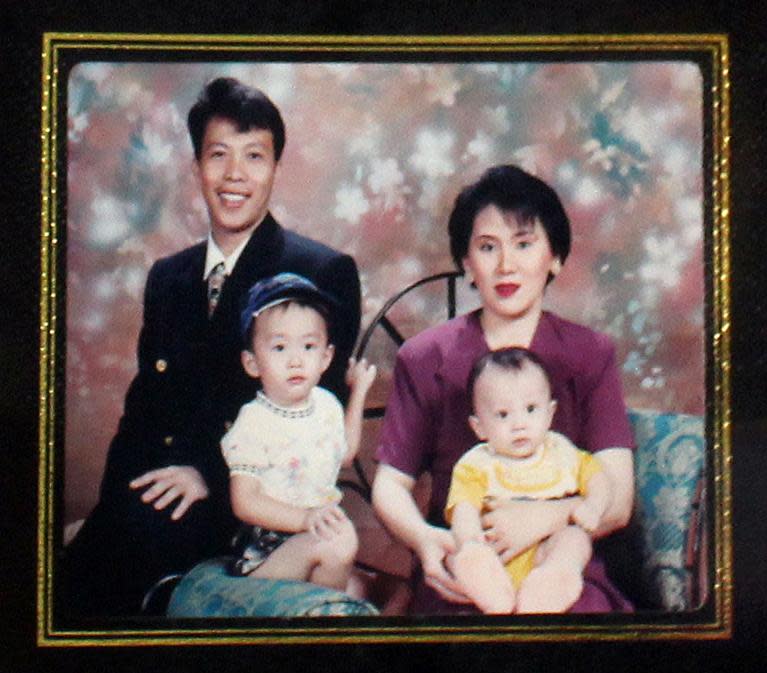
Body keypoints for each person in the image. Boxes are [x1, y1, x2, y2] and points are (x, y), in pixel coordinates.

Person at [62, 77, 361, 617]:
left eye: (254, 157)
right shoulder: (168, 276)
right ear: (197, 165)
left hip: (247, 509)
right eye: (218, 155)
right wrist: (115, 501)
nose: (235, 176)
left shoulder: (320, 271)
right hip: (156, 489)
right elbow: (143, 410)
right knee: (71, 579)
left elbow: (320, 424)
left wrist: (207, 474)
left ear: (275, 169)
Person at [372, 164, 635, 615]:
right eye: (487, 247)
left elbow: (617, 497)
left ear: (554, 257)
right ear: (467, 264)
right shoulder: (424, 357)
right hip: (464, 565)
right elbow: (391, 484)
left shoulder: (590, 353)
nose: (506, 265)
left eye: (524, 244)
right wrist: (426, 540)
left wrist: (549, 517)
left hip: (563, 565)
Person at [222, 272, 375, 591]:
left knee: (360, 581)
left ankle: (322, 611)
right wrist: (306, 519)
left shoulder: (326, 404)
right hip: (267, 553)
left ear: (325, 357)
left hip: (316, 534)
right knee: (337, 542)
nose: (295, 361)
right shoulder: (254, 421)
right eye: (279, 348)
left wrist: (358, 392)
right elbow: (245, 502)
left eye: (308, 346)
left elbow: (344, 455)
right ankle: (318, 617)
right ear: (252, 363)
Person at [445, 348, 611, 614]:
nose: (519, 424)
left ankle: (555, 581)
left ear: (550, 413)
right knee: (461, 553)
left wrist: (593, 506)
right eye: (502, 415)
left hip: (548, 551)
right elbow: (463, 509)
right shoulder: (476, 465)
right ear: (479, 427)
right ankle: (488, 587)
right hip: (498, 557)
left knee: (575, 538)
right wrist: (470, 540)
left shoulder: (562, 454)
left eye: (531, 409)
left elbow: (598, 478)